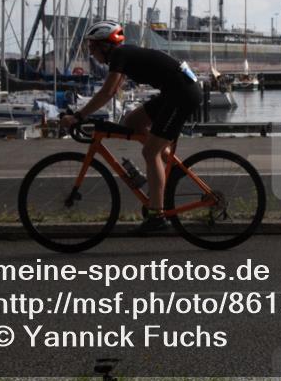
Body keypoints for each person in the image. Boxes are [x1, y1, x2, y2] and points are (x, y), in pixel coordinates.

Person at [59, 20, 202, 232]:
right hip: (175, 91)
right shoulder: (121, 56)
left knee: (149, 152)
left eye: (92, 46)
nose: (90, 52)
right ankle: (164, 163)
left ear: (105, 46)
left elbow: (107, 92)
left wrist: (79, 116)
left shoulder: (118, 55)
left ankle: (157, 217)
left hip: (181, 94)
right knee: (132, 122)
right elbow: (114, 89)